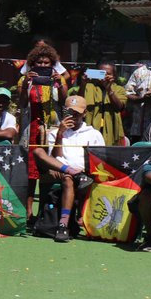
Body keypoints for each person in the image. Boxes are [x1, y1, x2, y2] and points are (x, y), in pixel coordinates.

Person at [31, 95, 105, 243]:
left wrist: (86, 170)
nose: (74, 116)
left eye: (77, 113)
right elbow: (54, 158)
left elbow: (100, 159)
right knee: (38, 151)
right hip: (60, 169)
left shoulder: (94, 133)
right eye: (70, 113)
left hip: (84, 172)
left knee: (68, 178)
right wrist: (60, 134)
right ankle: (73, 174)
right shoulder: (56, 131)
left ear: (84, 113)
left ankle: (63, 225)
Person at [19, 41, 68, 220]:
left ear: (52, 64)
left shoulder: (58, 80)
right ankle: (28, 211)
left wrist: (60, 84)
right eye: (39, 63)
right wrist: (25, 84)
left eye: (46, 63)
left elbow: (64, 102)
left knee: (49, 170)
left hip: (52, 130)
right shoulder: (25, 80)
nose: (42, 66)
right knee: (30, 172)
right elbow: (22, 104)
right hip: (31, 129)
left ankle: (45, 213)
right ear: (32, 64)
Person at [69, 61, 128, 146]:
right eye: (102, 73)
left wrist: (109, 89)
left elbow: (119, 107)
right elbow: (78, 103)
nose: (105, 76)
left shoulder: (119, 89)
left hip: (111, 131)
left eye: (108, 74)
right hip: (90, 129)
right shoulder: (89, 87)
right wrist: (83, 84)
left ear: (114, 76)